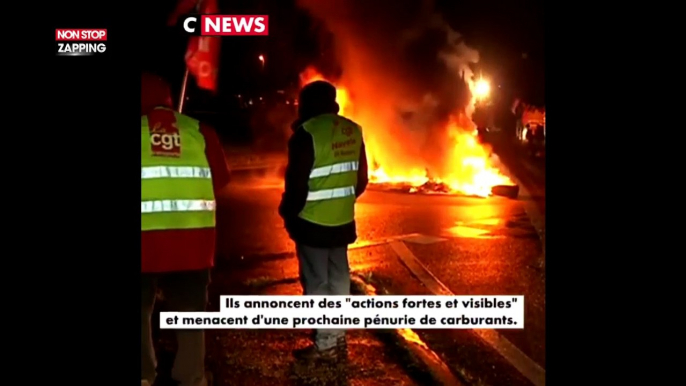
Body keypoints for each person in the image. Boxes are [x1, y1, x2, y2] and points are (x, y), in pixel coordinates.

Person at [141, 72, 231, 386]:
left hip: (144, 244)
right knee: (191, 313)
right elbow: (220, 179)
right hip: (193, 243)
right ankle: (191, 376)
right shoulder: (200, 131)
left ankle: (143, 374)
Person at [279, 80, 369, 362]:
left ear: (306, 104)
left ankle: (326, 345)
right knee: (340, 280)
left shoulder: (306, 134)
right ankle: (337, 337)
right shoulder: (352, 130)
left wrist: (288, 213)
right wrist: (341, 203)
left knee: (316, 283)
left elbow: (297, 185)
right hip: (342, 223)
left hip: (312, 223)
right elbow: (361, 179)